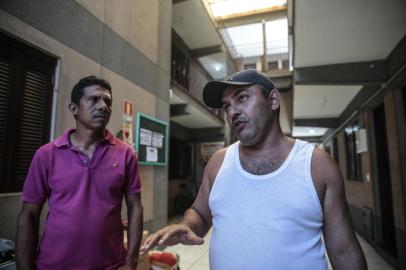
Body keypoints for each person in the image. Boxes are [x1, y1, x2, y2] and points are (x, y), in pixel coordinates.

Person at [140, 70, 367, 269]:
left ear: (274, 100)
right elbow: (200, 212)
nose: (232, 112)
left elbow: (344, 252)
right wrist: (185, 225)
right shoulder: (219, 163)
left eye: (243, 98)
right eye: (227, 106)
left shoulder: (316, 165)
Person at [16, 76, 143, 270]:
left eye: (107, 101)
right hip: (53, 265)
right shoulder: (46, 155)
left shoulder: (126, 154)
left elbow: (135, 208)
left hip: (110, 265)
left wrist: (131, 262)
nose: (103, 106)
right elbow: (28, 215)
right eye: (94, 99)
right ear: (74, 108)